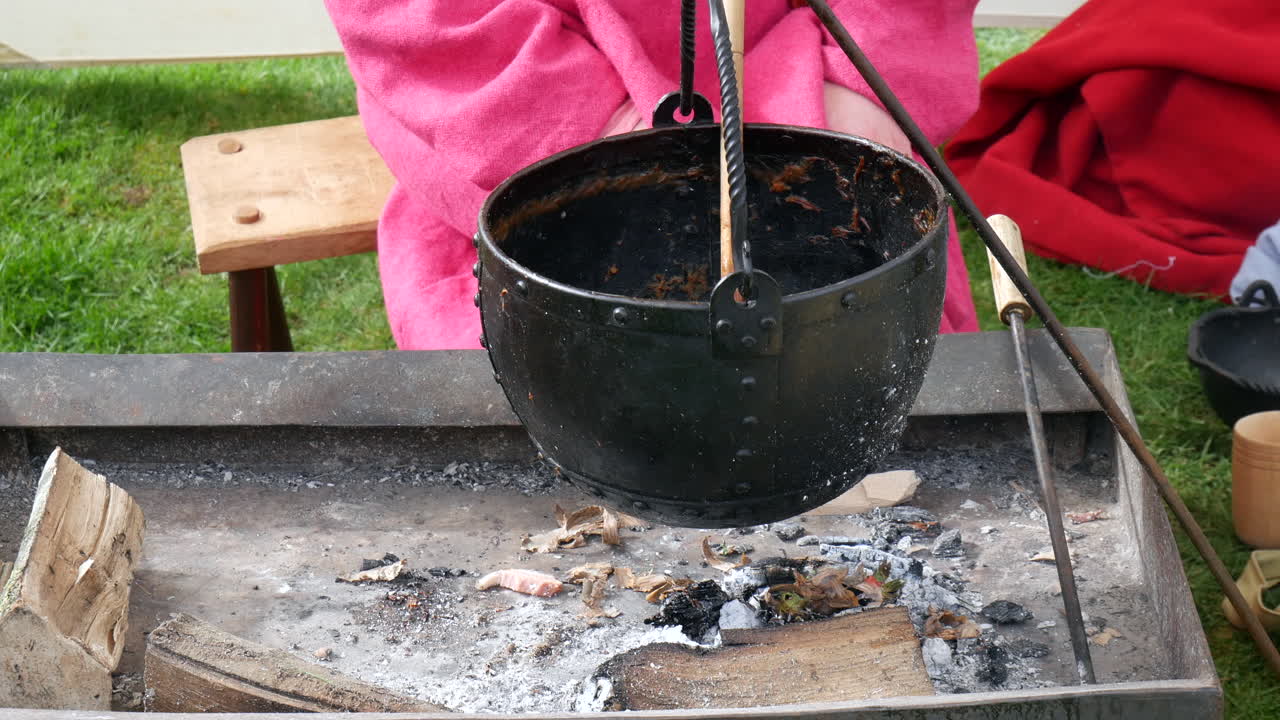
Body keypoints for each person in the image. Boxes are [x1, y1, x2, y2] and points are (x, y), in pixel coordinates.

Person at [324, 0, 982, 349]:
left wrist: (843, 88)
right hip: (534, 173)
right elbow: (430, 17)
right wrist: (612, 149)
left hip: (810, 123)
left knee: (865, 385)